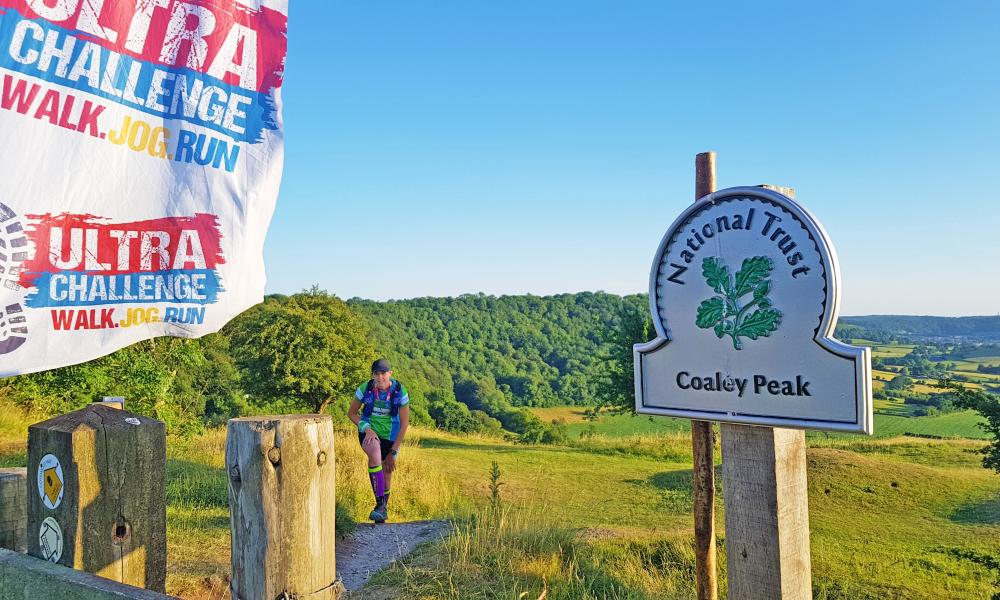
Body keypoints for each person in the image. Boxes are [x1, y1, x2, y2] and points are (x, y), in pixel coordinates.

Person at [347, 358, 410, 523]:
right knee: (375, 453)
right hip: (369, 432)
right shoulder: (365, 388)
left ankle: (381, 511)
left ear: (390, 373)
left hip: (391, 437)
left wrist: (392, 452)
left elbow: (404, 425)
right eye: (377, 373)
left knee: (387, 475)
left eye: (383, 373)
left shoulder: (399, 391)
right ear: (372, 375)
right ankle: (380, 506)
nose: (380, 377)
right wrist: (367, 429)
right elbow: (352, 413)